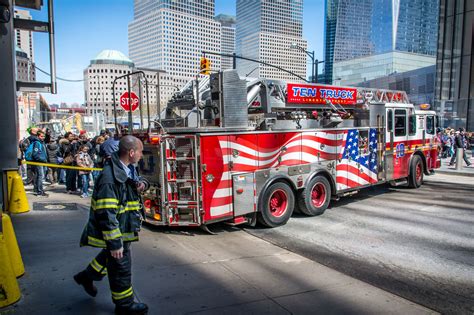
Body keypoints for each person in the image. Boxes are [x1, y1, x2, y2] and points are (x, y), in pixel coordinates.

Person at [74, 135, 149, 315]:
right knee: (121, 267)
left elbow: (135, 182)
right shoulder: (109, 178)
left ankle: (86, 276)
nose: (141, 155)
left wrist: (141, 185)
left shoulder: (126, 168)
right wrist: (115, 242)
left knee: (111, 257)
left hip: (124, 227)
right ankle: (124, 305)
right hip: (118, 231)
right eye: (139, 152)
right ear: (131, 153)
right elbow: (106, 213)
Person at [29, 130, 48, 196]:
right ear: (38, 136)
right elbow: (35, 154)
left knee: (38, 176)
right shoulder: (37, 143)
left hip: (41, 162)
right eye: (41, 136)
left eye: (44, 136)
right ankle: (40, 191)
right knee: (40, 176)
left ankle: (37, 190)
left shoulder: (41, 142)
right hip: (39, 162)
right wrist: (42, 159)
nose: (43, 137)